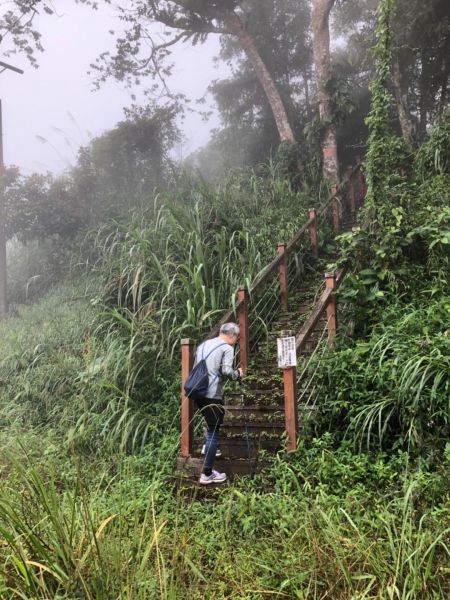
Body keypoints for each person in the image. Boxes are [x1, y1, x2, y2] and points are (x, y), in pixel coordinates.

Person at [195, 322, 243, 485]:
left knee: (210, 424)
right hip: (212, 393)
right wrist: (238, 374)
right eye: (237, 338)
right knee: (214, 430)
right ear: (232, 335)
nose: (236, 341)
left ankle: (209, 447)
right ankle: (207, 474)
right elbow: (226, 371)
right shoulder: (227, 348)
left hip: (198, 391)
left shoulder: (204, 344)